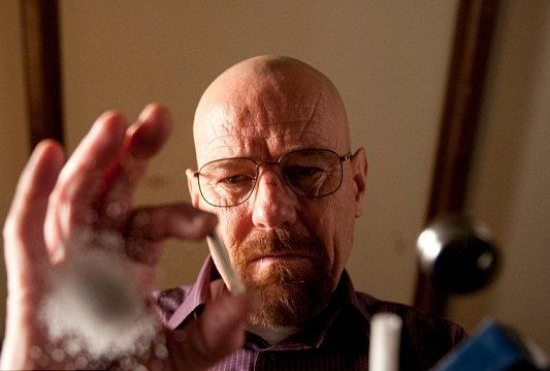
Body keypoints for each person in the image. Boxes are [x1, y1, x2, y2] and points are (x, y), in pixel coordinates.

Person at [1, 55, 465, 370]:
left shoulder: (443, 355)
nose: (271, 211)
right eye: (234, 179)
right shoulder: (112, 349)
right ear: (199, 197)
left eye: (306, 171)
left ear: (357, 185)